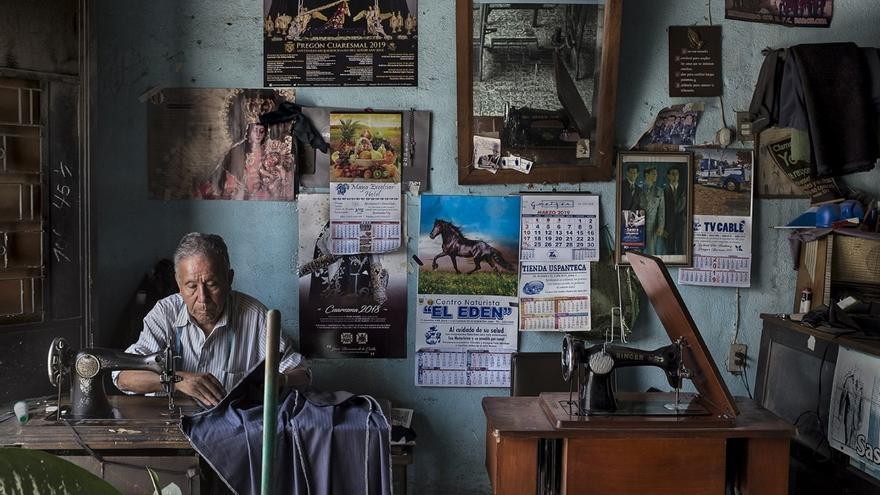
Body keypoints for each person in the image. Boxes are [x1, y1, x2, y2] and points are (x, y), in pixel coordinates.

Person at [115, 233, 310, 407]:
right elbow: (124, 377)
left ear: (229, 279)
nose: (203, 297)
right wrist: (177, 380)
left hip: (230, 432)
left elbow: (303, 374)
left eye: (212, 284)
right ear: (178, 284)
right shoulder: (165, 314)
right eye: (191, 286)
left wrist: (279, 380)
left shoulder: (255, 316)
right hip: (171, 429)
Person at [640, 167, 666, 255]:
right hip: (638, 224)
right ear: (647, 175)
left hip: (652, 225)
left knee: (651, 251)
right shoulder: (638, 189)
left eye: (656, 174)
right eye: (653, 174)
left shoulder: (659, 191)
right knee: (637, 251)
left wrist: (661, 226)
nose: (656, 176)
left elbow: (661, 211)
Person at [663, 166, 687, 255]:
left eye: (677, 174)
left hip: (681, 222)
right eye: (673, 174)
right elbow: (662, 210)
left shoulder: (684, 189)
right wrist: (663, 226)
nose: (675, 176)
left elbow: (686, 206)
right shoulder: (664, 191)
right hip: (668, 223)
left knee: (680, 245)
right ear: (668, 176)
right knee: (670, 246)